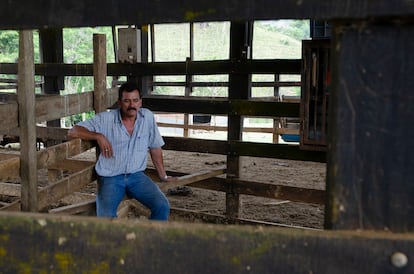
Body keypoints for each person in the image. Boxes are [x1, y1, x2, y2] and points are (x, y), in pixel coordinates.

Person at [68, 82, 175, 220]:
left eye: (135, 100)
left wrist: (163, 176)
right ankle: (113, 242)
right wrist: (98, 136)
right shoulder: (105, 119)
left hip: (137, 176)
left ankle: (150, 240)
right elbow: (73, 131)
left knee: (162, 205)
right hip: (111, 177)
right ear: (119, 103)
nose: (132, 105)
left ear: (140, 102)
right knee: (106, 217)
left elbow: (155, 147)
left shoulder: (147, 117)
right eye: (127, 101)